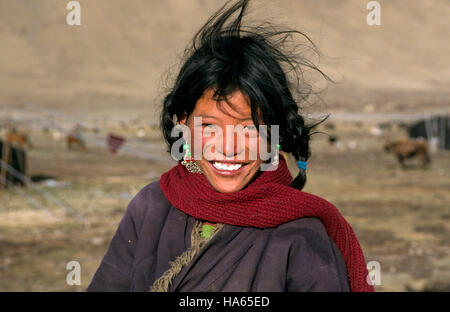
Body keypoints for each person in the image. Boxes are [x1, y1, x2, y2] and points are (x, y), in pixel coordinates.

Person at [87, 0, 374, 292]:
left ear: (274, 134)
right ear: (184, 123)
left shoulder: (300, 238)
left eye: (249, 129)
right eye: (209, 126)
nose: (228, 148)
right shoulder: (151, 207)